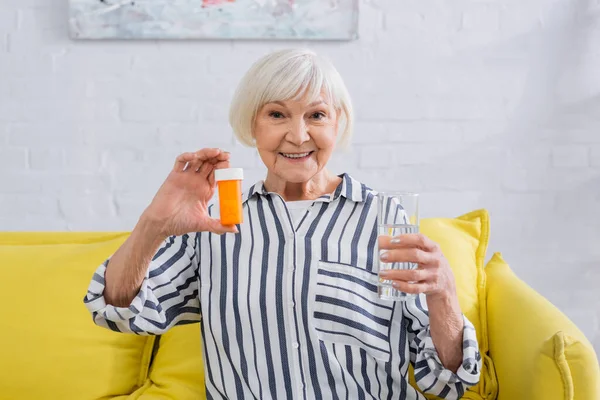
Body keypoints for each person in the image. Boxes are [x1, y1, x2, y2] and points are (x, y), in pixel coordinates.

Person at [84, 48, 481, 399]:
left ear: (337, 124)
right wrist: (154, 224)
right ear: (252, 126)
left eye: (317, 115)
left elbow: (448, 382)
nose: (298, 134)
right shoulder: (215, 223)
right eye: (277, 114)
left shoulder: (384, 219)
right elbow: (119, 312)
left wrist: (444, 293)